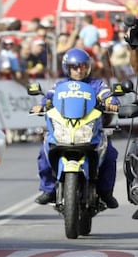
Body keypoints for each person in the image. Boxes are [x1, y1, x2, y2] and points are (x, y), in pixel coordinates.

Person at [31, 48, 119, 208]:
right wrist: (40, 106)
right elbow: (48, 98)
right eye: (74, 67)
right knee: (44, 151)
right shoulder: (60, 85)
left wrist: (111, 102)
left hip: (90, 131)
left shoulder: (96, 84)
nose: (79, 70)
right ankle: (48, 189)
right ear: (67, 68)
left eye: (82, 66)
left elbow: (107, 94)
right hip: (64, 130)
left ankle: (106, 192)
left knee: (110, 154)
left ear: (88, 67)